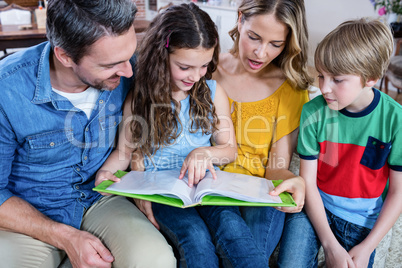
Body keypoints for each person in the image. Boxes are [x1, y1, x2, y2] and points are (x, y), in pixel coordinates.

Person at [0, 0, 176, 267]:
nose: (130, 71)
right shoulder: (7, 90)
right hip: (27, 213)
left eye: (130, 54)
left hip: (101, 198)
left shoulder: (129, 68)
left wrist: (142, 178)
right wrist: (65, 237)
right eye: (112, 64)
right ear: (65, 57)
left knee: (156, 260)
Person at [95, 3, 270, 267]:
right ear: (161, 55)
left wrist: (204, 152)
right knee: (195, 238)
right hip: (163, 192)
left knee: (234, 232)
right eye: (185, 67)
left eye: (204, 66)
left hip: (208, 188)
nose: (196, 76)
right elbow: (124, 152)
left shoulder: (212, 92)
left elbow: (228, 150)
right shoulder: (139, 99)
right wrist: (105, 173)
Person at [278, 18, 402, 268]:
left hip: (363, 223)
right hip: (314, 211)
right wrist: (329, 245)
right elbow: (308, 183)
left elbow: (398, 193)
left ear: (371, 78)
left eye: (337, 79)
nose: (323, 88)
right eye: (321, 76)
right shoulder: (313, 113)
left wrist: (368, 247)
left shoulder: (395, 120)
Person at [212, 0, 312, 260]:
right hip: (210, 184)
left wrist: (294, 179)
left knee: (249, 256)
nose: (260, 53)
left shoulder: (290, 89)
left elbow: (276, 166)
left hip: (259, 190)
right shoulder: (207, 69)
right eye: (254, 37)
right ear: (240, 19)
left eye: (275, 44)